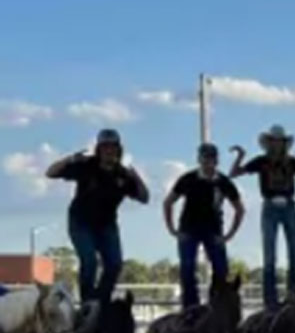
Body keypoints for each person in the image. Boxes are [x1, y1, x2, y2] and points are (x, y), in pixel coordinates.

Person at [46, 128, 150, 306]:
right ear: (99, 150)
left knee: (115, 263)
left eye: (113, 148)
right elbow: (51, 172)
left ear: (118, 150)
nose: (109, 151)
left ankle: (101, 301)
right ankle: (87, 301)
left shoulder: (122, 175)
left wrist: (137, 178)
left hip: (106, 225)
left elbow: (144, 197)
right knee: (90, 261)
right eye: (105, 148)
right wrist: (70, 159)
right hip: (81, 222)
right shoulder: (87, 166)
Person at [230, 124, 295, 310]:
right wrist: (240, 156)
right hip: (270, 205)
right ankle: (271, 300)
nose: (277, 145)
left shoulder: (291, 162)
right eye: (274, 142)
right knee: (270, 256)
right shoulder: (262, 161)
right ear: (269, 144)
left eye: (280, 142)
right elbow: (234, 173)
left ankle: (294, 294)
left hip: (288, 205)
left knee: (294, 253)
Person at [164, 142, 245, 310]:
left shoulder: (223, 182)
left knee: (221, 270)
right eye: (205, 158)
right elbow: (168, 202)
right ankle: (190, 308)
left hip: (213, 230)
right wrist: (172, 229)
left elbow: (239, 209)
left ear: (216, 161)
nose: (208, 162)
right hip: (189, 229)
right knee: (187, 269)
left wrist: (230, 234)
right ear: (199, 159)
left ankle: (216, 305)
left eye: (211, 158)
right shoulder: (188, 179)